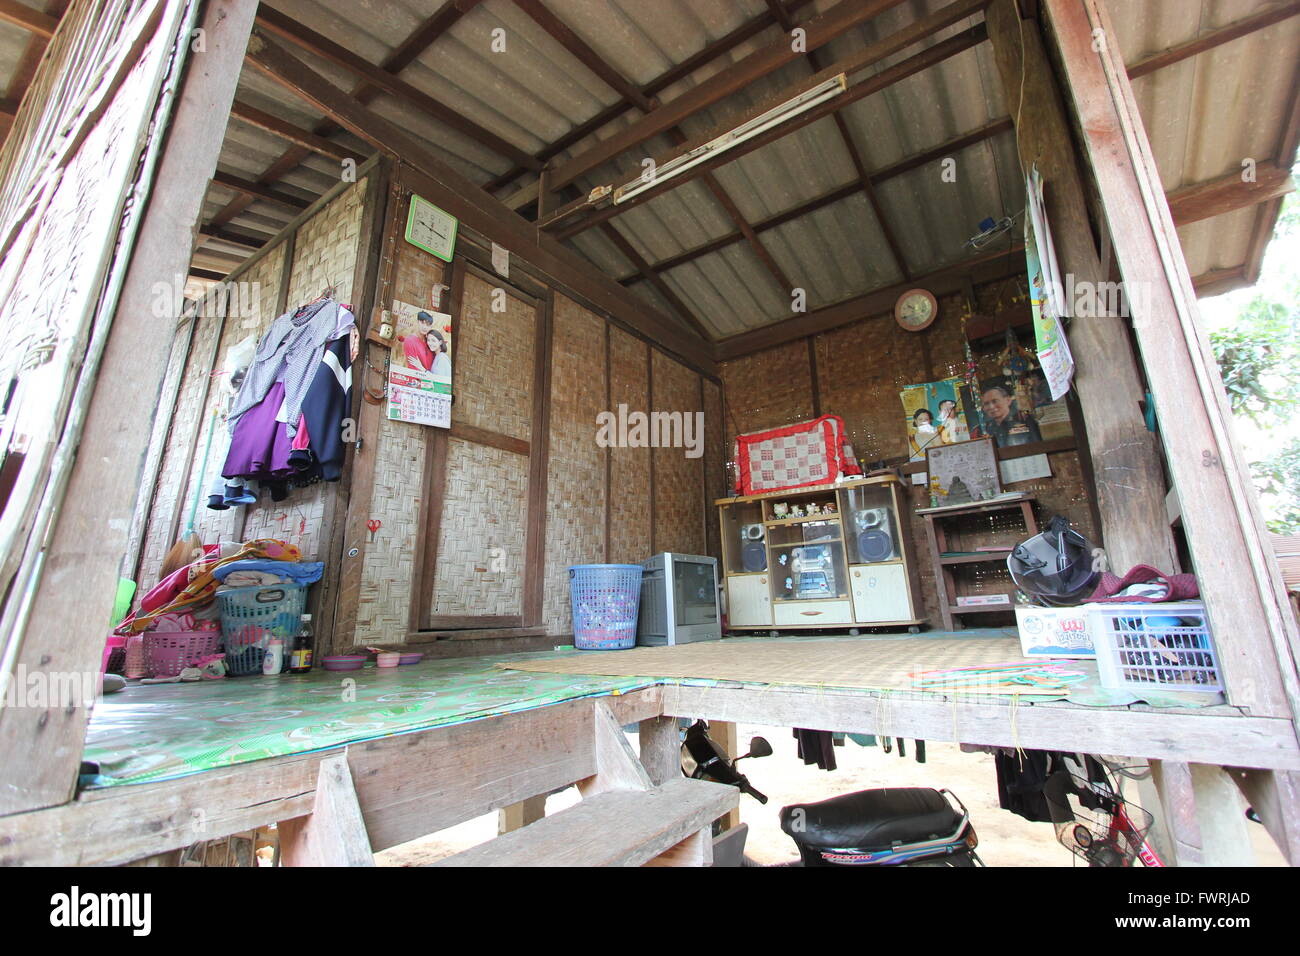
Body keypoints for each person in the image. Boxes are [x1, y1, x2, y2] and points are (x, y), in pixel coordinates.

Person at [978, 382, 1042, 447]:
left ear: (1008, 400)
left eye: (995, 401)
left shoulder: (1024, 419)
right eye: (986, 404)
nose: (991, 407)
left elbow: (1039, 446)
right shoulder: (985, 429)